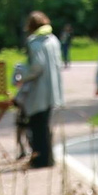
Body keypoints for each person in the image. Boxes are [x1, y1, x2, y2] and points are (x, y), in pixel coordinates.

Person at [13, 11, 63, 171]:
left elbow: (37, 66)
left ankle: (39, 160)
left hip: (39, 91)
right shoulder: (53, 40)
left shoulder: (34, 42)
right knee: (46, 126)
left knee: (37, 126)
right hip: (53, 90)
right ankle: (48, 158)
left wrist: (23, 76)